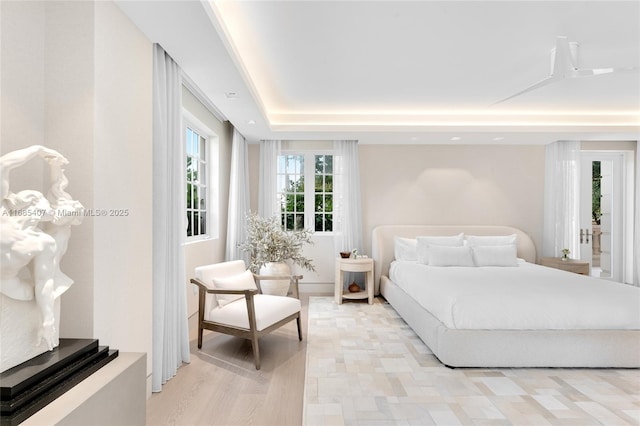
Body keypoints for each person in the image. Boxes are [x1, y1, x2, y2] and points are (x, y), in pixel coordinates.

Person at [0, 145, 83, 350]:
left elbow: (44, 282)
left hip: (9, 286)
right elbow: (3, 164)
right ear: (31, 204)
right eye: (45, 205)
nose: (49, 210)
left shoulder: (43, 242)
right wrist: (37, 150)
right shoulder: (2, 213)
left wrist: (48, 320)